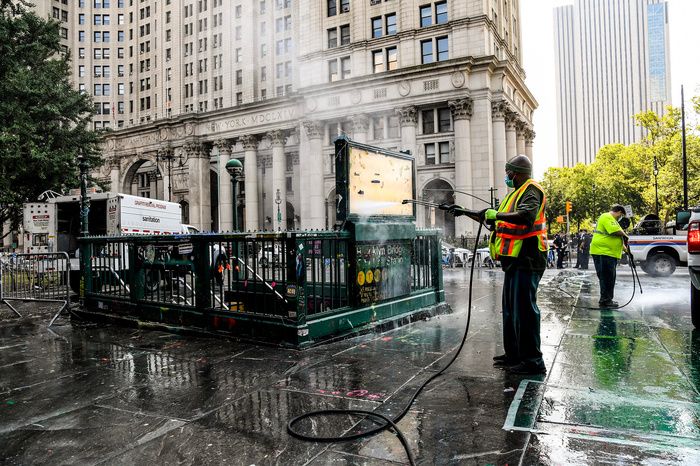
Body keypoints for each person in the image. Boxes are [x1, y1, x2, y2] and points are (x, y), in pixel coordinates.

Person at [442, 154, 548, 375]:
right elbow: (494, 220)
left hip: (527, 259)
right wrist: (464, 211)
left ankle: (532, 361)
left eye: (508, 172)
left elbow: (526, 216)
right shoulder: (515, 194)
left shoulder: (531, 189)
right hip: (514, 262)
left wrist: (496, 213)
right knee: (511, 311)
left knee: (525, 312)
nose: (506, 176)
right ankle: (514, 355)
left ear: (515, 173)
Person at [590, 205, 629, 308]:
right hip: (603, 252)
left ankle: (606, 300)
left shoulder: (612, 220)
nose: (620, 217)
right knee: (607, 277)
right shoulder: (607, 216)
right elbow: (615, 232)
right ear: (619, 212)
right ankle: (606, 301)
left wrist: (626, 249)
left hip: (607, 252)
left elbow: (615, 237)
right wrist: (625, 235)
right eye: (621, 215)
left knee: (608, 277)